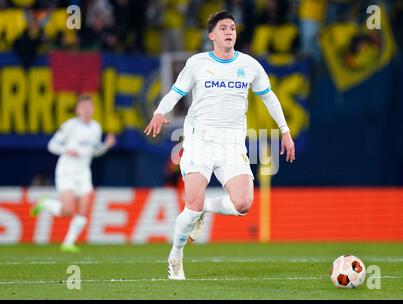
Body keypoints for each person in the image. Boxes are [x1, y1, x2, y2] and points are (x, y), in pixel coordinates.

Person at [144, 10, 295, 280]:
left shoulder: (250, 65)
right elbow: (176, 92)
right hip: (199, 141)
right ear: (212, 35)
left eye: (233, 28)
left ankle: (207, 208)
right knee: (191, 204)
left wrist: (285, 130)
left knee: (243, 203)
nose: (229, 32)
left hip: (232, 145)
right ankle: (176, 256)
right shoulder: (197, 63)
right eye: (224, 28)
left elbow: (269, 97)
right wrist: (159, 112)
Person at [31, 95, 116, 253]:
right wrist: (66, 150)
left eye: (89, 107)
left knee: (84, 210)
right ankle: (45, 203)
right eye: (83, 107)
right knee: (68, 210)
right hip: (67, 171)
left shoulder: (96, 128)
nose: (87, 110)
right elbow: (52, 145)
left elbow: (94, 152)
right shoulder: (70, 126)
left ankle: (68, 243)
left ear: (93, 109)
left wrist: (106, 146)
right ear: (77, 110)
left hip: (83, 173)